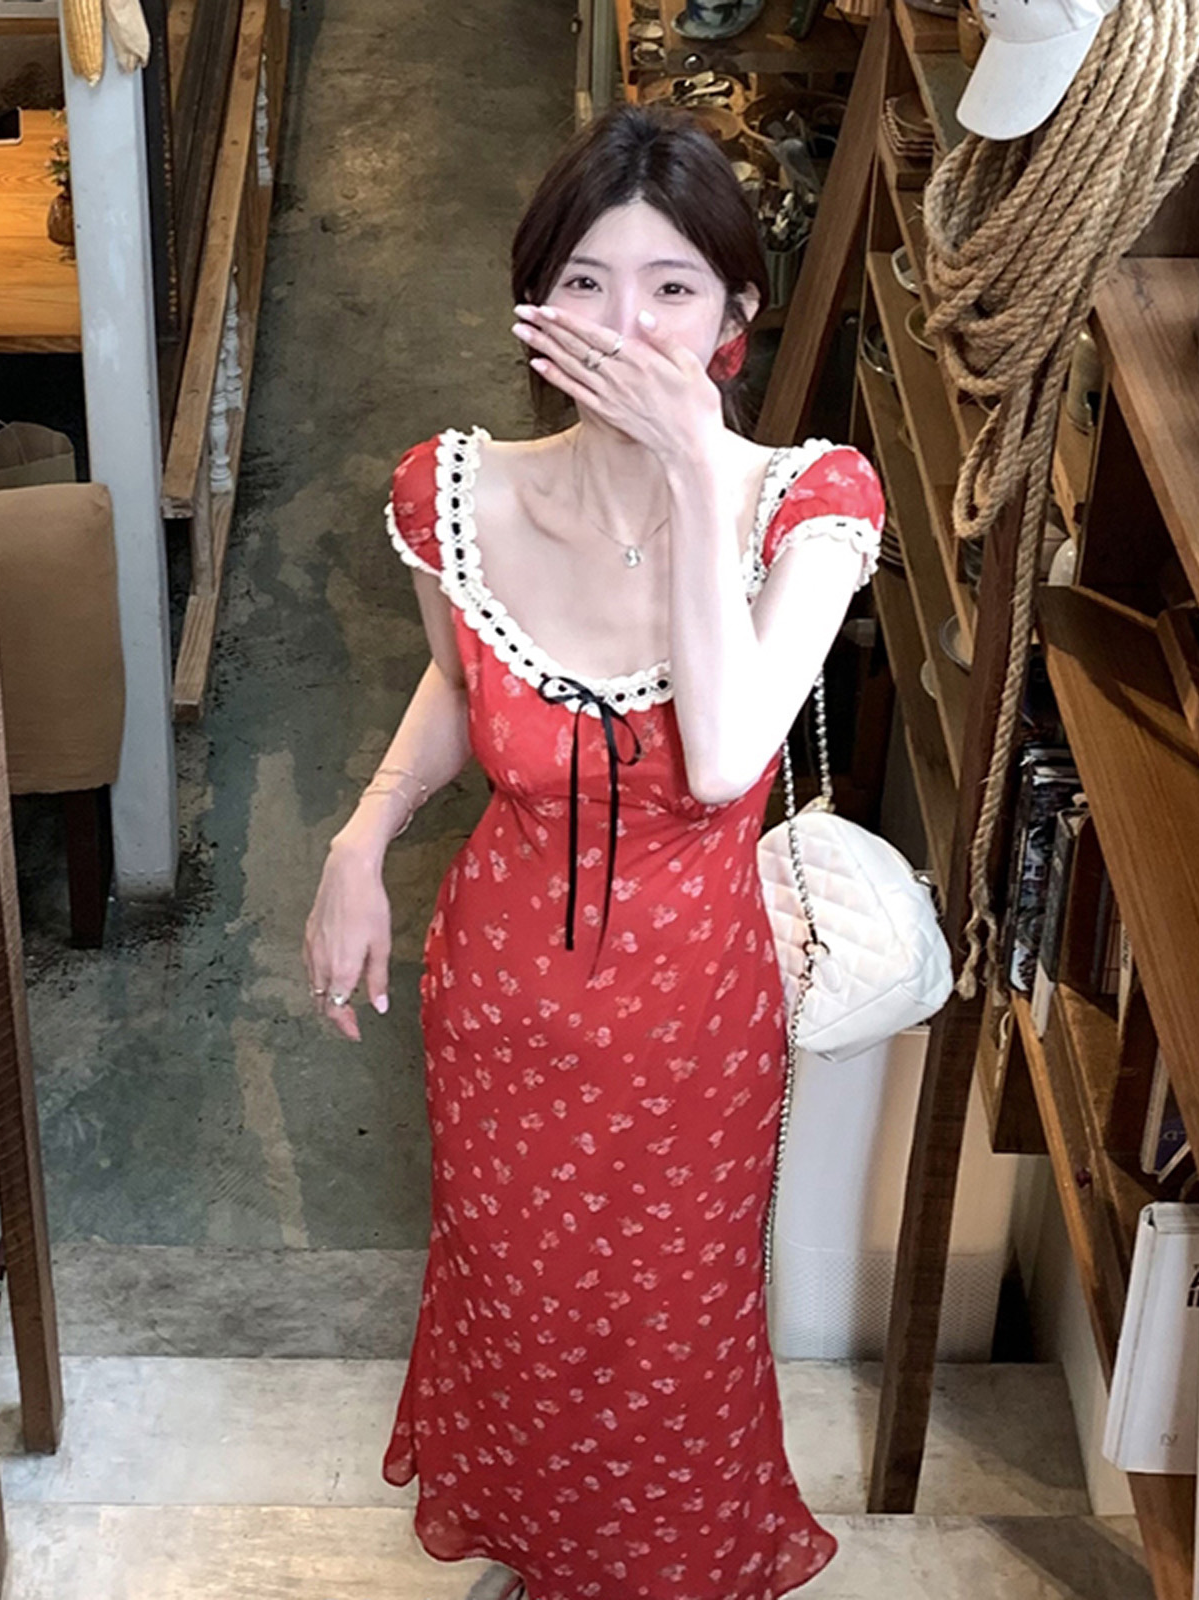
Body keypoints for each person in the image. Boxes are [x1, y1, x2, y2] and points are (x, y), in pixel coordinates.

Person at [303, 105, 884, 1600]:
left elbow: (724, 759)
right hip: (500, 1001)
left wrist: (692, 470)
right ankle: (551, 1552)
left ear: (736, 314)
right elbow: (461, 689)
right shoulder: (451, 491)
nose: (626, 326)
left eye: (672, 287)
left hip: (694, 1026)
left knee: (670, 1329)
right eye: (585, 283)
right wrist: (364, 832)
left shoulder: (811, 505)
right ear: (534, 304)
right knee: (520, 1304)